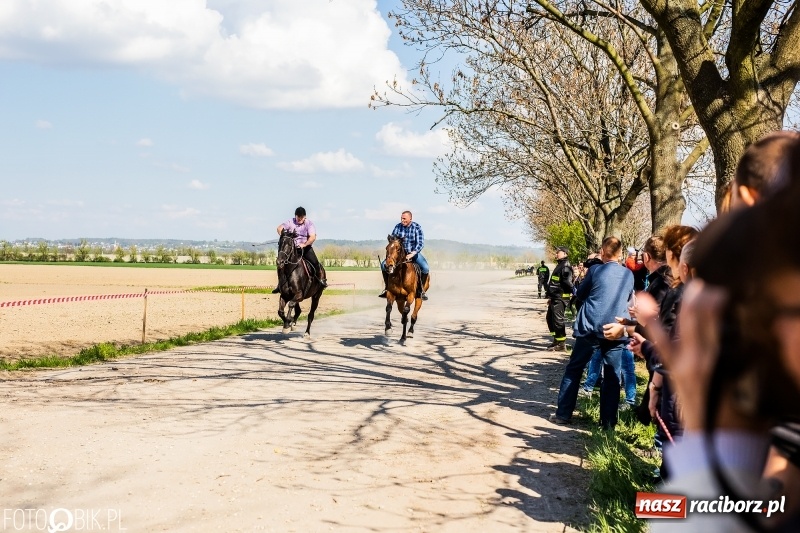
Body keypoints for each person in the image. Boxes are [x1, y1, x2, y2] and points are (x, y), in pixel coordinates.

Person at [549, 236, 633, 429]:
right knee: (612, 375)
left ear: (602, 252)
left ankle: (563, 414)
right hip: (616, 329)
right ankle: (608, 423)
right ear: (620, 254)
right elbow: (628, 297)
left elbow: (580, 294)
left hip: (591, 328)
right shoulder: (628, 275)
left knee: (574, 369)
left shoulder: (595, 271)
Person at [272, 206, 327, 293]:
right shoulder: (290, 222)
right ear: (295, 216)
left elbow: (312, 237)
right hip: (291, 249)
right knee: (280, 262)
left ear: (305, 217)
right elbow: (279, 228)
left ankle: (321, 280)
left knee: (315, 263)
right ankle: (280, 285)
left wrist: (304, 244)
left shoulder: (309, 224)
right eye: (298, 217)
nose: (300, 219)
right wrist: (284, 236)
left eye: (302, 217)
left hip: (305, 248)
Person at [379, 210, 429, 300]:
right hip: (398, 255)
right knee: (383, 265)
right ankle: (387, 288)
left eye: (404, 218)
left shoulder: (417, 227)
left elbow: (420, 243)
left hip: (412, 253)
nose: (402, 220)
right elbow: (393, 241)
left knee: (425, 268)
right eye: (401, 218)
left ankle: (421, 291)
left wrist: (413, 253)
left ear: (410, 218)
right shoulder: (398, 227)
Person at [544, 246, 573, 351]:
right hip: (555, 297)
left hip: (560, 298)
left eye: (558, 252)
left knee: (558, 321)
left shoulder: (565, 266)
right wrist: (550, 296)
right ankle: (556, 339)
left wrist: (572, 292)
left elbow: (567, 283)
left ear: (565, 254)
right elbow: (554, 283)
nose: (556, 254)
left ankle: (561, 343)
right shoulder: (560, 265)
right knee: (550, 319)